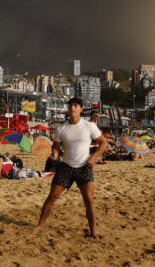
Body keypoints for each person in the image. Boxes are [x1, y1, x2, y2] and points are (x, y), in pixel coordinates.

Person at [36, 97, 108, 238]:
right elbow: (56, 148)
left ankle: (93, 233)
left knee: (89, 200)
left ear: (81, 109)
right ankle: (39, 225)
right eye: (70, 106)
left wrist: (93, 158)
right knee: (52, 197)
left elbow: (103, 143)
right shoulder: (61, 128)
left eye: (75, 105)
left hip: (84, 167)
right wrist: (54, 155)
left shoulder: (89, 126)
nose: (72, 108)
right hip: (66, 167)